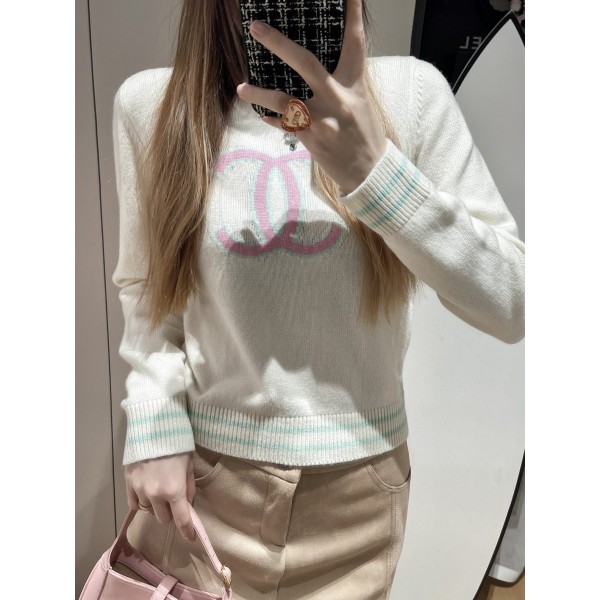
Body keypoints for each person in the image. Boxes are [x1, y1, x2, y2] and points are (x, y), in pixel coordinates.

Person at [111, 0, 525, 597]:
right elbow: (147, 286)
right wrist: (154, 420)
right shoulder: (154, 106)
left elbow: (512, 302)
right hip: (199, 493)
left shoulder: (410, 96)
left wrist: (376, 173)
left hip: (356, 504)